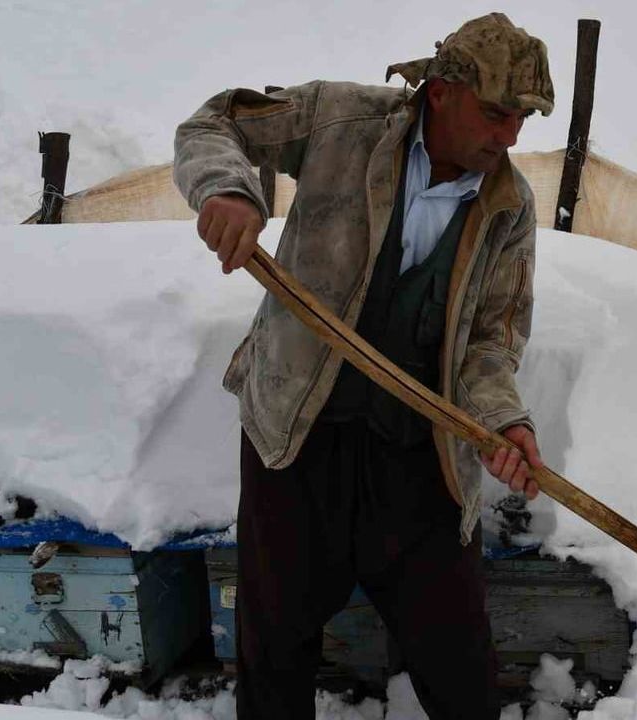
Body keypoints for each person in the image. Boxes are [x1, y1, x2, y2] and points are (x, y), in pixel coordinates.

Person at [172, 13, 554, 719]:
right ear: (441, 92)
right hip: (295, 440)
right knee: (275, 653)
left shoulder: (508, 208)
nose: (509, 138)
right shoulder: (340, 122)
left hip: (418, 457)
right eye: (497, 114)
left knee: (461, 666)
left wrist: (503, 420)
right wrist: (227, 191)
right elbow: (213, 124)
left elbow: (489, 345)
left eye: (521, 120)